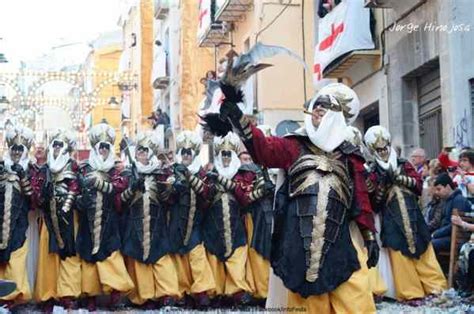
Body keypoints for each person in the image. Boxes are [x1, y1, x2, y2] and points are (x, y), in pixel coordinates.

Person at [206, 82, 378, 313]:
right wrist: (239, 118)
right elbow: (263, 149)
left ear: (337, 116)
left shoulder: (350, 156)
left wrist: (369, 235)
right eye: (317, 105)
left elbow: (361, 200)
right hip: (299, 242)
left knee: (354, 300)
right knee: (307, 302)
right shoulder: (294, 146)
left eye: (325, 107)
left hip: (342, 241)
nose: (318, 110)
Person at [365, 126, 447, 303]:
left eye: (385, 147)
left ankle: (436, 288)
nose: (383, 151)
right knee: (400, 255)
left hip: (413, 214)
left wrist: (399, 177)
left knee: (424, 249)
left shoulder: (403, 164)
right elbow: (375, 204)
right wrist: (382, 186)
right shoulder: (372, 172)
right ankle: (411, 293)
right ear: (372, 150)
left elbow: (418, 187)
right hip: (392, 218)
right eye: (378, 149)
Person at [76, 122, 134, 311]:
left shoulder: (118, 169)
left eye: (105, 147)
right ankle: (91, 296)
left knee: (111, 255)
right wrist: (80, 199)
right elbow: (77, 190)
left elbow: (120, 188)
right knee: (89, 257)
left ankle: (115, 294)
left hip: (111, 220)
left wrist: (98, 184)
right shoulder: (84, 168)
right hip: (88, 220)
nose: (102, 150)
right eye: (99, 147)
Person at [120, 131, 180, 308]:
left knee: (161, 258)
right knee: (138, 260)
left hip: (157, 223)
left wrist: (171, 187)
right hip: (134, 222)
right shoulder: (127, 173)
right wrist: (132, 189)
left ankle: (168, 294)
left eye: (145, 150)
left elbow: (168, 198)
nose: (142, 153)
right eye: (139, 149)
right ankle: (143, 296)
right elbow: (120, 200)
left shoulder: (160, 173)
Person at [203, 132, 253, 307]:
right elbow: (204, 197)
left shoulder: (242, 173)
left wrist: (222, 181)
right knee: (214, 256)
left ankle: (237, 291)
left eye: (228, 154)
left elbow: (245, 196)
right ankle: (216, 292)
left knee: (237, 257)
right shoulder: (209, 171)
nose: (225, 157)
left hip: (235, 222)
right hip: (213, 222)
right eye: (222, 154)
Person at [167, 130, 215, 308]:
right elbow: (165, 197)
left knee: (197, 257)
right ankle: (183, 292)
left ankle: (202, 292)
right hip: (175, 223)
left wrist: (188, 176)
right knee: (179, 258)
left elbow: (207, 193)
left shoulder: (201, 173)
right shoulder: (172, 171)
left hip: (196, 223)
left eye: (189, 152)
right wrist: (173, 187)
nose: (186, 155)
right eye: (183, 152)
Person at [34, 130, 81, 311]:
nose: (57, 148)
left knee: (69, 256)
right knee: (48, 257)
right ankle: (48, 295)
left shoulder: (72, 166)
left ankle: (68, 294)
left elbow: (76, 187)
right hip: (48, 219)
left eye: (60, 145)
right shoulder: (45, 169)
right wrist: (42, 195)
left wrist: (66, 207)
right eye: (54, 144)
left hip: (69, 220)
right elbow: (37, 194)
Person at [0, 126, 36, 307]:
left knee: (16, 255)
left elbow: (34, 198)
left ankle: (13, 297)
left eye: (20, 149)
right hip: (0, 219)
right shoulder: (1, 166)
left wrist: (23, 177)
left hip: (19, 221)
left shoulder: (30, 169)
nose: (16, 152)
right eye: (14, 148)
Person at [234, 146, 274, 305]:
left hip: (272, 214)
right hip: (253, 216)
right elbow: (244, 198)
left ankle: (271, 291)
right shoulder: (240, 173)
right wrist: (261, 191)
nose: (247, 159)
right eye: (244, 155)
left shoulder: (268, 168)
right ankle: (259, 291)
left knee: (271, 252)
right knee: (256, 253)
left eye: (249, 155)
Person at [432, 173, 471, 255]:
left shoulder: (459, 200)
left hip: (456, 238)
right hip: (446, 236)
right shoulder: (445, 201)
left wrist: (435, 234)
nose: (436, 192)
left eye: (439, 189)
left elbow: (453, 225)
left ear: (448, 187)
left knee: (429, 245)